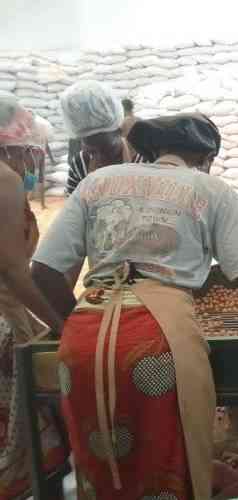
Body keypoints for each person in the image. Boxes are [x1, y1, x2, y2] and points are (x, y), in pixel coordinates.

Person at [31, 113, 238, 500]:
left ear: (155, 151)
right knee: (167, 459)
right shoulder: (210, 190)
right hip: (156, 339)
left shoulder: (97, 182)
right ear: (207, 157)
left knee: (102, 461)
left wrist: (74, 323)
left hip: (82, 339)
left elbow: (42, 271)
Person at [0, 93, 67, 500]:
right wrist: (59, 326)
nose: (32, 168)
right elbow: (12, 270)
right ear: (15, 144)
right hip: (6, 318)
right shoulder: (4, 180)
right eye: (32, 157)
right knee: (29, 432)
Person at [63, 81, 140, 196]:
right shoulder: (80, 163)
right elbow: (72, 206)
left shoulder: (141, 160)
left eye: (108, 150)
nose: (100, 158)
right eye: (91, 151)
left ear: (120, 131)